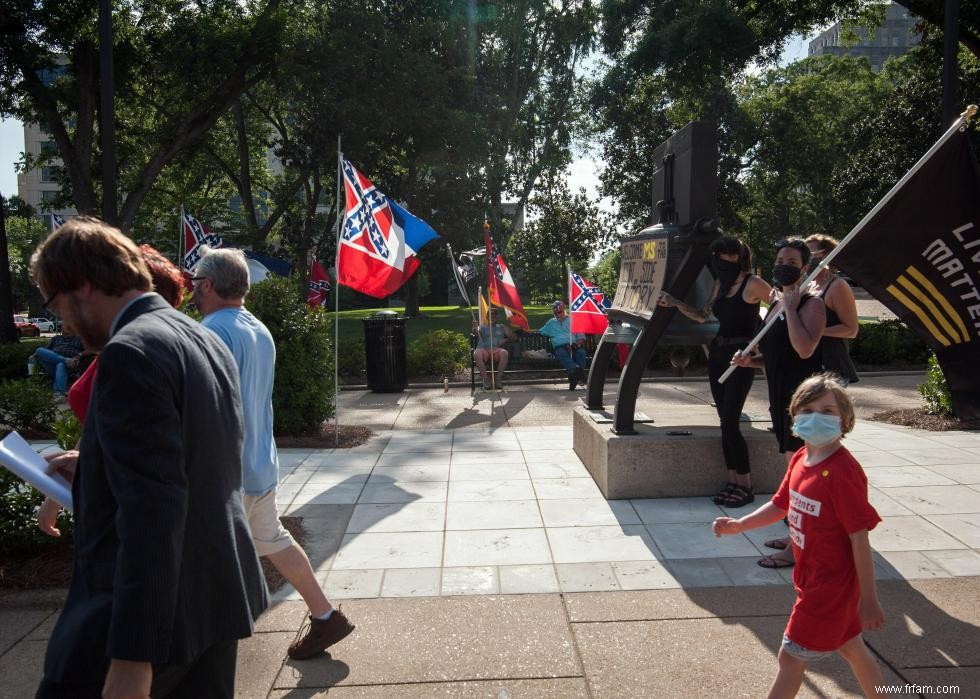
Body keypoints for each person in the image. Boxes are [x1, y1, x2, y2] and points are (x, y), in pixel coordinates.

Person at [30, 217, 267, 698]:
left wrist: (132, 657)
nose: (64, 323)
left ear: (83, 285)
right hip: (215, 598)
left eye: (56, 304)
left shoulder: (129, 352)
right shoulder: (201, 336)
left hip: (145, 621)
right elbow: (195, 461)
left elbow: (152, 511)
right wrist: (96, 463)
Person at [193, 246, 354, 660]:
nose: (193, 290)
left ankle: (201, 648)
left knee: (198, 560)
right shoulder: (256, 328)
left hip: (226, 470)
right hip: (258, 464)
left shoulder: (211, 331)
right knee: (274, 542)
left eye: (196, 282)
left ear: (209, 285)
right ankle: (324, 616)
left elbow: (205, 407)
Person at [712, 374, 885, 698]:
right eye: (806, 410)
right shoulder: (801, 461)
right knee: (852, 648)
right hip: (813, 577)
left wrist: (869, 599)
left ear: (845, 420)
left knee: (790, 658)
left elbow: (859, 538)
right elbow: (780, 505)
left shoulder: (843, 472)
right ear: (793, 417)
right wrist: (740, 525)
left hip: (829, 587)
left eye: (827, 410)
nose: (815, 417)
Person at [36, 244, 187, 537]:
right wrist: (58, 490)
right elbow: (99, 423)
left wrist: (91, 469)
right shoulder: (121, 350)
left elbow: (161, 452)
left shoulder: (131, 355)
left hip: (132, 514)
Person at [731, 237, 825, 568]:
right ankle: (796, 538)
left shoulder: (812, 304)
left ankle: (797, 548)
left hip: (802, 401)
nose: (783, 264)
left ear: (805, 267)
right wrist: (750, 362)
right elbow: (775, 356)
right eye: (780, 258)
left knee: (800, 477)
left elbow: (803, 350)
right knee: (793, 473)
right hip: (779, 396)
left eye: (791, 260)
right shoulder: (774, 304)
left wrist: (790, 304)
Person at [659, 236, 771, 507]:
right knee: (724, 422)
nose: (721, 259)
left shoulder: (752, 282)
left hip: (740, 357)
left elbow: (780, 308)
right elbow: (703, 315)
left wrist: (763, 348)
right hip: (719, 354)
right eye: (718, 254)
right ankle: (732, 480)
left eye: (727, 255)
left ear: (739, 256)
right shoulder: (720, 284)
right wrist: (675, 302)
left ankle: (746, 484)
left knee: (732, 421)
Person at [806, 234, 860, 385]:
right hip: (809, 365)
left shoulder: (838, 286)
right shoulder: (808, 286)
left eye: (810, 254)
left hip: (831, 369)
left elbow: (851, 330)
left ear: (827, 255)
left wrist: (815, 332)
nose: (805, 258)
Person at [538, 300, 589, 390]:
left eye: (559, 312)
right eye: (555, 313)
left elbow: (581, 337)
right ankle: (579, 373)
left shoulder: (573, 320)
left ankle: (574, 377)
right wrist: (525, 330)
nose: (557, 315)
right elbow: (541, 331)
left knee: (581, 353)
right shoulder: (551, 323)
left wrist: (576, 345)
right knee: (561, 353)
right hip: (560, 347)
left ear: (564, 310)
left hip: (574, 345)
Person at [30, 328, 84, 394]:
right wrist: (34, 355)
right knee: (39, 350)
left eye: (68, 329)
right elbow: (46, 350)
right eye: (63, 329)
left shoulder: (78, 339)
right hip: (53, 365)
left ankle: (59, 393)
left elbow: (90, 349)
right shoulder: (56, 338)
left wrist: (79, 355)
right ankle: (65, 360)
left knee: (61, 364)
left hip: (70, 366)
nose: (65, 331)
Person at [473, 306, 514, 389]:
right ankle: (486, 379)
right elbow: (476, 333)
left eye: (495, 315)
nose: (493, 317)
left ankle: (498, 380)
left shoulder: (501, 327)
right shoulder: (482, 327)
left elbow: (512, 337)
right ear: (487, 317)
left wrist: (505, 339)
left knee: (504, 353)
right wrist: (474, 327)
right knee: (476, 353)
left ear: (498, 317)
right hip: (483, 349)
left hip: (496, 350)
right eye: (491, 316)